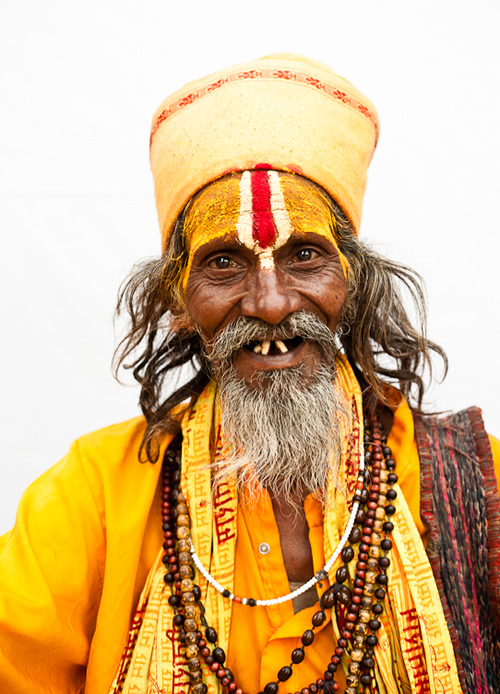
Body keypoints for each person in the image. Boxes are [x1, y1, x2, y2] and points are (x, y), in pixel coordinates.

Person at [1, 53, 499, 694]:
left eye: (305, 255)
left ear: (355, 281)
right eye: (225, 263)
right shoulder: (95, 494)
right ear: (178, 302)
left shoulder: (465, 479)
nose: (270, 302)